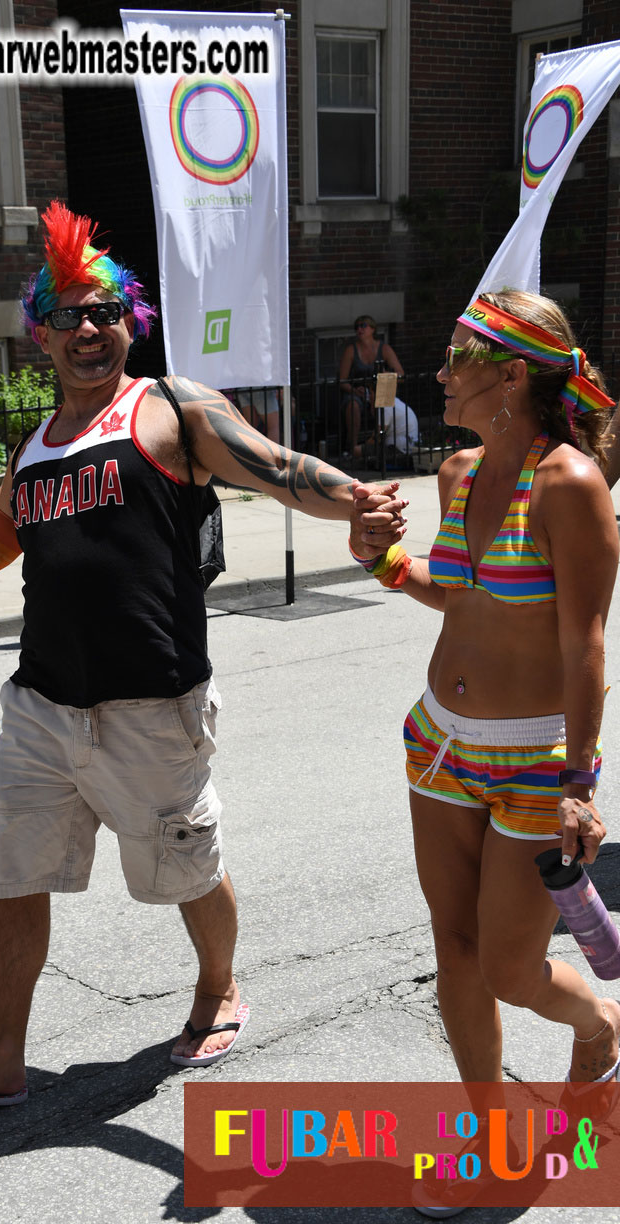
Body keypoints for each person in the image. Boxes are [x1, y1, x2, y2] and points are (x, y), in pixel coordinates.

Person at [0, 201, 407, 1106]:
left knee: (185, 867)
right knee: (10, 872)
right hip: (41, 704)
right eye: (71, 313)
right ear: (40, 331)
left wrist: (359, 499)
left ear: (130, 323)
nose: (90, 328)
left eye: (107, 311)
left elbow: (273, 464)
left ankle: (217, 987)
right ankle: (1, 1056)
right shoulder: (34, 446)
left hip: (153, 704)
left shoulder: (166, 407)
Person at [352, 290, 619, 1216]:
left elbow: (585, 644)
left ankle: (599, 1018)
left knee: (510, 966)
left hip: (534, 757)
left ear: (511, 375)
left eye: (458, 356)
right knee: (454, 949)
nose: (438, 372)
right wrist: (381, 560)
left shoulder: (569, 484)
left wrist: (581, 781)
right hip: (438, 744)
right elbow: (457, 593)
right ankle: (490, 1136)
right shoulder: (459, 471)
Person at [339, 315, 405, 455]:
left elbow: (400, 374)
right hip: (357, 392)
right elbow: (342, 380)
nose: (359, 329)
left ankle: (375, 447)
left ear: (373, 328)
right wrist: (355, 390)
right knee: (353, 405)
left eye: (363, 325)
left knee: (383, 405)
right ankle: (353, 448)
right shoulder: (351, 350)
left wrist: (384, 376)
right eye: (357, 327)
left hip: (379, 392)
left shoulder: (384, 349)